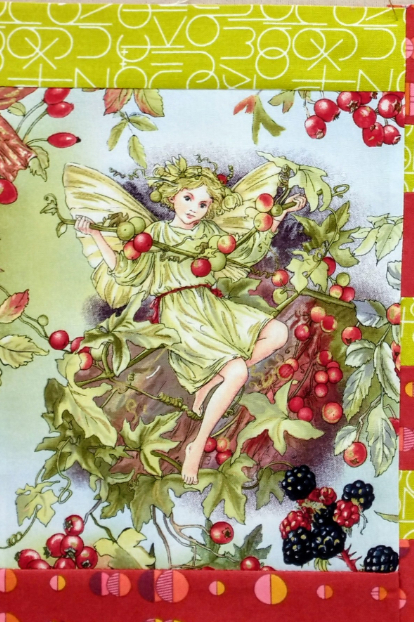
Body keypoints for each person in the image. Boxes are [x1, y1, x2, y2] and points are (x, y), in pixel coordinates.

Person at [74, 161, 304, 484]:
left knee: (278, 332)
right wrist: (97, 234)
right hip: (179, 313)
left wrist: (278, 215)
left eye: (203, 203)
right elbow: (126, 272)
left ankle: (210, 384)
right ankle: (197, 444)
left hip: (209, 305)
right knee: (237, 371)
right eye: (188, 198)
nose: (194, 208)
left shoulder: (209, 233)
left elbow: (244, 252)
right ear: (172, 197)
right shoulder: (155, 234)